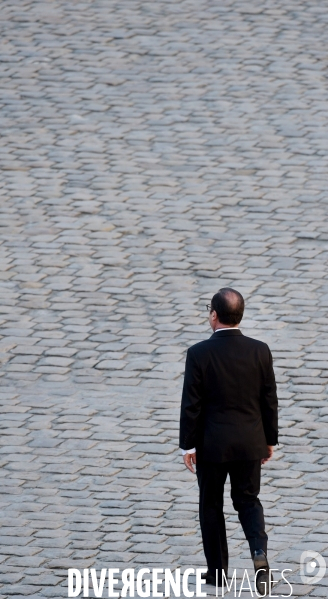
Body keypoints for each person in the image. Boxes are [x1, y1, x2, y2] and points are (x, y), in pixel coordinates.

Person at [179, 288, 278, 596]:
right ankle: (258, 552)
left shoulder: (199, 353)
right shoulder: (260, 350)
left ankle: (218, 573)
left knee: (211, 505)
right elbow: (269, 400)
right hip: (250, 443)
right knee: (248, 501)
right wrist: (269, 441)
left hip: (212, 446)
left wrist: (188, 446)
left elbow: (191, 404)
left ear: (213, 315)